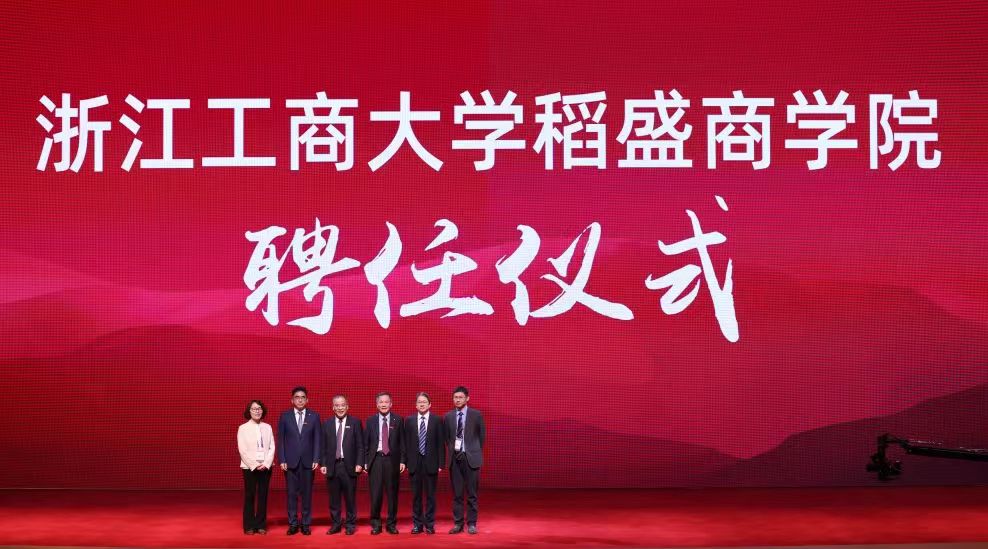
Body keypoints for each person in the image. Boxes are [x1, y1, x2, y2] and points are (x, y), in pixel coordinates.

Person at [277, 386, 321, 536]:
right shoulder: (285, 416)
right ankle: (293, 524)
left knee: (307, 495)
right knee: (291, 495)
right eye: (297, 397)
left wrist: (316, 458)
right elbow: (281, 440)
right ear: (292, 400)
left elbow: (317, 439)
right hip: (290, 462)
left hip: (309, 462)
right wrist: (282, 458)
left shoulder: (314, 416)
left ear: (307, 400)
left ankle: (306, 524)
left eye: (303, 397)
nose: (300, 400)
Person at [319, 395, 364, 536]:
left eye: (342, 405)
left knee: (350, 498)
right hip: (332, 466)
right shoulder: (327, 424)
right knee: (334, 499)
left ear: (347, 406)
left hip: (349, 466)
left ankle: (350, 525)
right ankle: (336, 524)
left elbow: (360, 446)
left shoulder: (355, 422)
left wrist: (359, 463)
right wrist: (323, 463)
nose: (340, 408)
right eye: (337, 405)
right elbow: (323, 446)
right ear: (333, 407)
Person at [444, 386, 485, 535]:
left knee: (472, 494)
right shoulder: (448, 416)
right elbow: (447, 438)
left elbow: (481, 436)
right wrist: (454, 450)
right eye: (455, 397)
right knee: (457, 494)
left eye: (460, 397)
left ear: (467, 398)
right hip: (455, 460)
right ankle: (458, 523)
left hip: (471, 459)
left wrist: (471, 451)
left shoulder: (476, 415)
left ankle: (472, 524)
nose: (458, 400)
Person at [364, 392, 404, 535]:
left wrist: (402, 460)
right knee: (376, 494)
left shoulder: (398, 420)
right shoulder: (370, 421)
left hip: (392, 461)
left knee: (392, 494)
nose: (383, 404)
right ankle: (376, 524)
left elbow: (402, 442)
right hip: (376, 460)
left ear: (391, 404)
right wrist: (365, 461)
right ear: (377, 405)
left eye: (386, 402)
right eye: (381, 402)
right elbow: (366, 443)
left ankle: (391, 524)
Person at [404, 392, 444, 535]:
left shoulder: (437, 420)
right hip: (414, 463)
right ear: (416, 405)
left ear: (429, 404)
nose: (422, 404)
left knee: (431, 496)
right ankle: (417, 524)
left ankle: (430, 525)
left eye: (424, 402)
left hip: (431, 463)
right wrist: (405, 462)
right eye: (419, 402)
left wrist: (441, 463)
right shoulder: (409, 420)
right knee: (416, 496)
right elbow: (405, 443)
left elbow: (440, 442)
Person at [237, 399, 274, 535]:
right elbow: (242, 450)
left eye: (259, 408)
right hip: (249, 467)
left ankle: (261, 525)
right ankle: (249, 525)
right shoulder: (243, 428)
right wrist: (254, 464)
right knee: (250, 495)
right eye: (254, 409)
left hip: (266, 467)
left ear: (262, 411)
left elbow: (272, 447)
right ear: (249, 411)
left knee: (263, 496)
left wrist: (266, 463)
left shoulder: (267, 427)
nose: (257, 411)